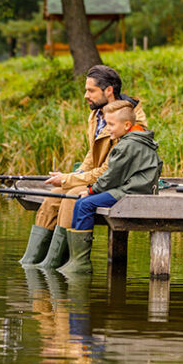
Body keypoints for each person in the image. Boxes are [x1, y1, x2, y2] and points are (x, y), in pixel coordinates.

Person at [19, 65, 147, 268]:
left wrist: (70, 180)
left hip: (118, 182)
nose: (86, 95)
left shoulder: (127, 121)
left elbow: (109, 169)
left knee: (71, 198)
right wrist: (73, 175)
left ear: (108, 91)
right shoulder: (97, 114)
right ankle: (32, 261)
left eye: (90, 90)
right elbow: (92, 154)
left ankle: (59, 263)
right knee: (53, 196)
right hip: (99, 177)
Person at [57, 99, 162, 274]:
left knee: (85, 204)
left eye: (111, 124)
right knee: (81, 203)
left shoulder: (126, 145)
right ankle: (74, 259)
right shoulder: (135, 139)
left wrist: (91, 190)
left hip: (133, 192)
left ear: (127, 125)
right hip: (135, 188)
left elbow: (111, 177)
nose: (108, 129)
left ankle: (80, 262)